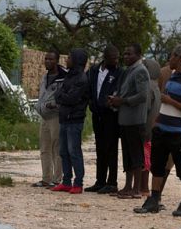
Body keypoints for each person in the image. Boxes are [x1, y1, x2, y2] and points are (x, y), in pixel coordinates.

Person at [135, 44, 181, 216]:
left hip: (177, 132)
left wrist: (171, 101)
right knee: (157, 166)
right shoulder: (171, 77)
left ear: (179, 58)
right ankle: (154, 200)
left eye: (171, 56)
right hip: (161, 129)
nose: (169, 59)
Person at [108, 44, 149, 199]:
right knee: (127, 154)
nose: (125, 57)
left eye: (129, 54)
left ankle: (136, 189)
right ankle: (128, 186)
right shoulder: (129, 71)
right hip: (125, 119)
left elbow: (142, 95)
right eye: (124, 54)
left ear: (138, 55)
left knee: (136, 155)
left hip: (135, 119)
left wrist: (122, 101)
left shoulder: (140, 71)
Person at [51, 49, 89, 194]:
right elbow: (59, 95)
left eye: (69, 58)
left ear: (77, 60)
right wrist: (62, 96)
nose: (66, 60)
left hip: (75, 119)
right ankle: (66, 181)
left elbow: (71, 98)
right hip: (64, 118)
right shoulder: (69, 76)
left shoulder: (81, 79)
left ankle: (78, 183)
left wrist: (62, 97)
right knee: (63, 151)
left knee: (74, 152)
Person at [85, 45, 123, 194]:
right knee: (100, 148)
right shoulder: (94, 71)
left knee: (111, 148)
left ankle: (112, 182)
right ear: (105, 58)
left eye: (117, 58)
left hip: (111, 115)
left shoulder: (119, 72)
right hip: (97, 114)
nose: (116, 60)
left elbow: (119, 89)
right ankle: (100, 181)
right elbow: (88, 88)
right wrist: (90, 101)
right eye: (114, 58)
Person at [34, 50, 67, 187]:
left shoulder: (63, 77)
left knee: (57, 148)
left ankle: (56, 179)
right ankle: (45, 178)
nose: (47, 61)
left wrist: (54, 106)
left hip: (56, 116)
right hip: (44, 117)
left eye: (51, 59)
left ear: (57, 60)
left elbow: (66, 96)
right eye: (46, 59)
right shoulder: (45, 77)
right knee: (44, 148)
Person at [141, 59, 162, 197]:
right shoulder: (156, 86)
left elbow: (145, 108)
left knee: (144, 158)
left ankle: (143, 187)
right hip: (154, 127)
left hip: (146, 127)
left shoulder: (147, 86)